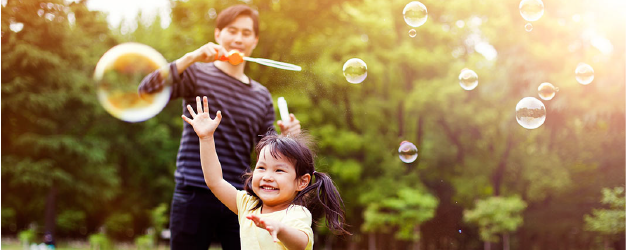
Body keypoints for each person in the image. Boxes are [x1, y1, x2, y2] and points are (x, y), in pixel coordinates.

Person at [138, 5, 301, 250]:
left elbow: (267, 151)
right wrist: (191, 57)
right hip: (192, 192)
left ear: (255, 40)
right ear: (218, 34)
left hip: (239, 198)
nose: (238, 39)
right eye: (232, 31)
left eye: (246, 33)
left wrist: (287, 139)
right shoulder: (196, 74)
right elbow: (146, 90)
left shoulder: (261, 96)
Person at [182, 96, 350, 249]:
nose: (267, 177)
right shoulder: (247, 205)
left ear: (302, 182)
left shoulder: (296, 213)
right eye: (261, 168)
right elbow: (215, 181)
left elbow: (301, 243)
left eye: (279, 170)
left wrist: (281, 229)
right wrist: (206, 138)